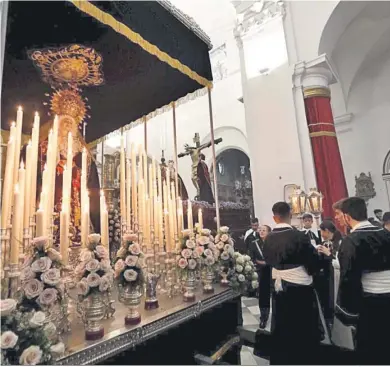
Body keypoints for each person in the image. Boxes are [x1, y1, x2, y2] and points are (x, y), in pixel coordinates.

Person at [263, 202, 323, 365]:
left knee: (282, 322)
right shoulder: (299, 236)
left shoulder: (268, 238)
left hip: (279, 286)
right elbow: (313, 262)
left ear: (275, 217)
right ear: (290, 215)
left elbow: (267, 260)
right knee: (302, 324)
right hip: (299, 287)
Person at [336, 197, 390, 364]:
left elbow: (349, 279)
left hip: (371, 302)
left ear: (347, 216)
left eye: (338, 214)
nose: (337, 218)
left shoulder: (351, 241)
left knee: (372, 347)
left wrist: (348, 313)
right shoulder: (385, 234)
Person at [316, 220, 341, 331]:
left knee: (333, 298)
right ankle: (328, 321)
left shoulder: (340, 242)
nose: (320, 234)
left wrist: (328, 253)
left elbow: (339, 261)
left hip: (336, 276)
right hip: (325, 276)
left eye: (321, 231)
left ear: (326, 231)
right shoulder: (325, 242)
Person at [248, 224, 271, 329]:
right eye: (260, 230)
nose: (261, 232)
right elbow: (251, 259)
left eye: (264, 230)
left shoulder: (273, 243)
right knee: (263, 296)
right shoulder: (254, 244)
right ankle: (263, 317)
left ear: (269, 232)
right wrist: (259, 263)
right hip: (261, 273)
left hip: (273, 272)